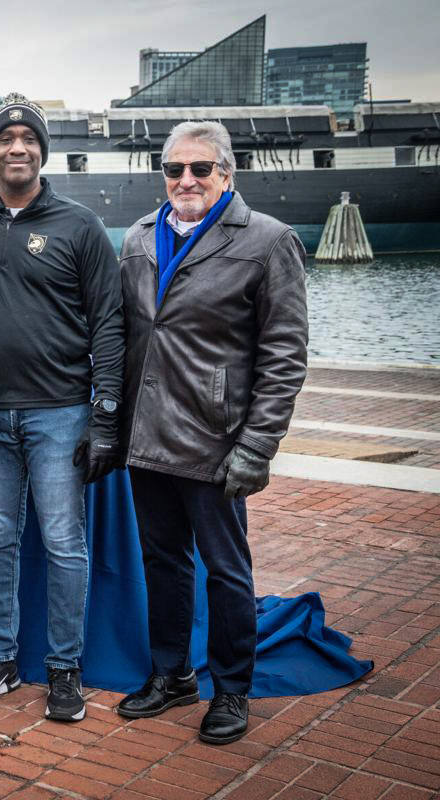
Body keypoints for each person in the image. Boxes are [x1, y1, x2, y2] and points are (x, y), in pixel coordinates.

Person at [115, 120, 308, 745]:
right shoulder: (139, 237)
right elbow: (123, 335)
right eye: (174, 169)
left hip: (215, 440)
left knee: (226, 570)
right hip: (147, 437)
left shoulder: (268, 242)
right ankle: (171, 675)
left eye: (200, 168)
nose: (186, 180)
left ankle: (231, 688)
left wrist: (257, 445)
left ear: (227, 172)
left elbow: (285, 357)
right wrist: (109, 425)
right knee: (162, 562)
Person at [0, 94, 125, 721]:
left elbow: (109, 322)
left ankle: (65, 667)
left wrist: (105, 413)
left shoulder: (80, 225)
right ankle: (0, 658)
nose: (16, 147)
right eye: (5, 139)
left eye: (28, 139)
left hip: (61, 413)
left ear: (43, 152)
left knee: (64, 541)